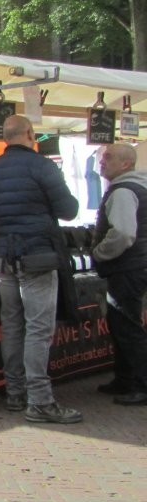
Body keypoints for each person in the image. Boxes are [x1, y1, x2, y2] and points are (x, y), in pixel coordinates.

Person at [0, 115, 82, 424]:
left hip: (2, 256)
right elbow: (69, 210)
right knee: (38, 327)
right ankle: (40, 401)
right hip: (37, 255)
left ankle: (16, 392)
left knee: (11, 323)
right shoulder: (43, 167)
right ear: (31, 134)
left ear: (5, 138)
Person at [91, 142, 147, 405]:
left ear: (125, 164)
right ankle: (125, 379)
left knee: (127, 326)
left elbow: (123, 233)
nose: (102, 161)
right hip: (135, 265)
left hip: (127, 267)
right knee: (122, 324)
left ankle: (140, 384)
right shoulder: (138, 187)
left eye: (108, 157)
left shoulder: (123, 191)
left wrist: (100, 252)